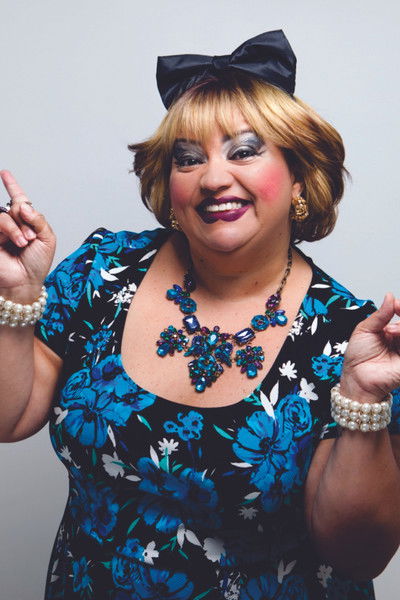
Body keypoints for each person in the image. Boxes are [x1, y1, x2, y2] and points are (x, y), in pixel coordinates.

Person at [1, 29, 400, 600]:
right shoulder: (102, 271)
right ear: (170, 188)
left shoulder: (350, 342)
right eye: (188, 159)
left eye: (244, 151)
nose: (213, 178)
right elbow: (10, 418)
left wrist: (361, 401)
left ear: (297, 175)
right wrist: (16, 299)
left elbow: (358, 556)